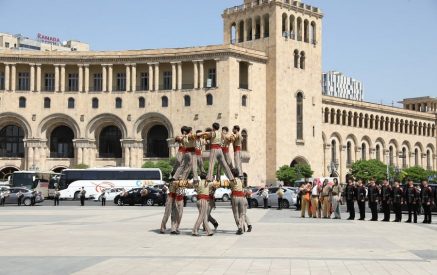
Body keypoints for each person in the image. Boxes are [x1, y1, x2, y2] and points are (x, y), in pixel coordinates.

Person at [230, 169, 246, 235]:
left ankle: (239, 227)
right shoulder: (241, 180)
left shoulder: (232, 181)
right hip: (241, 197)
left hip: (235, 197)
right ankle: (241, 227)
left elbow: (230, 187)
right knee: (242, 213)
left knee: (235, 213)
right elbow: (243, 187)